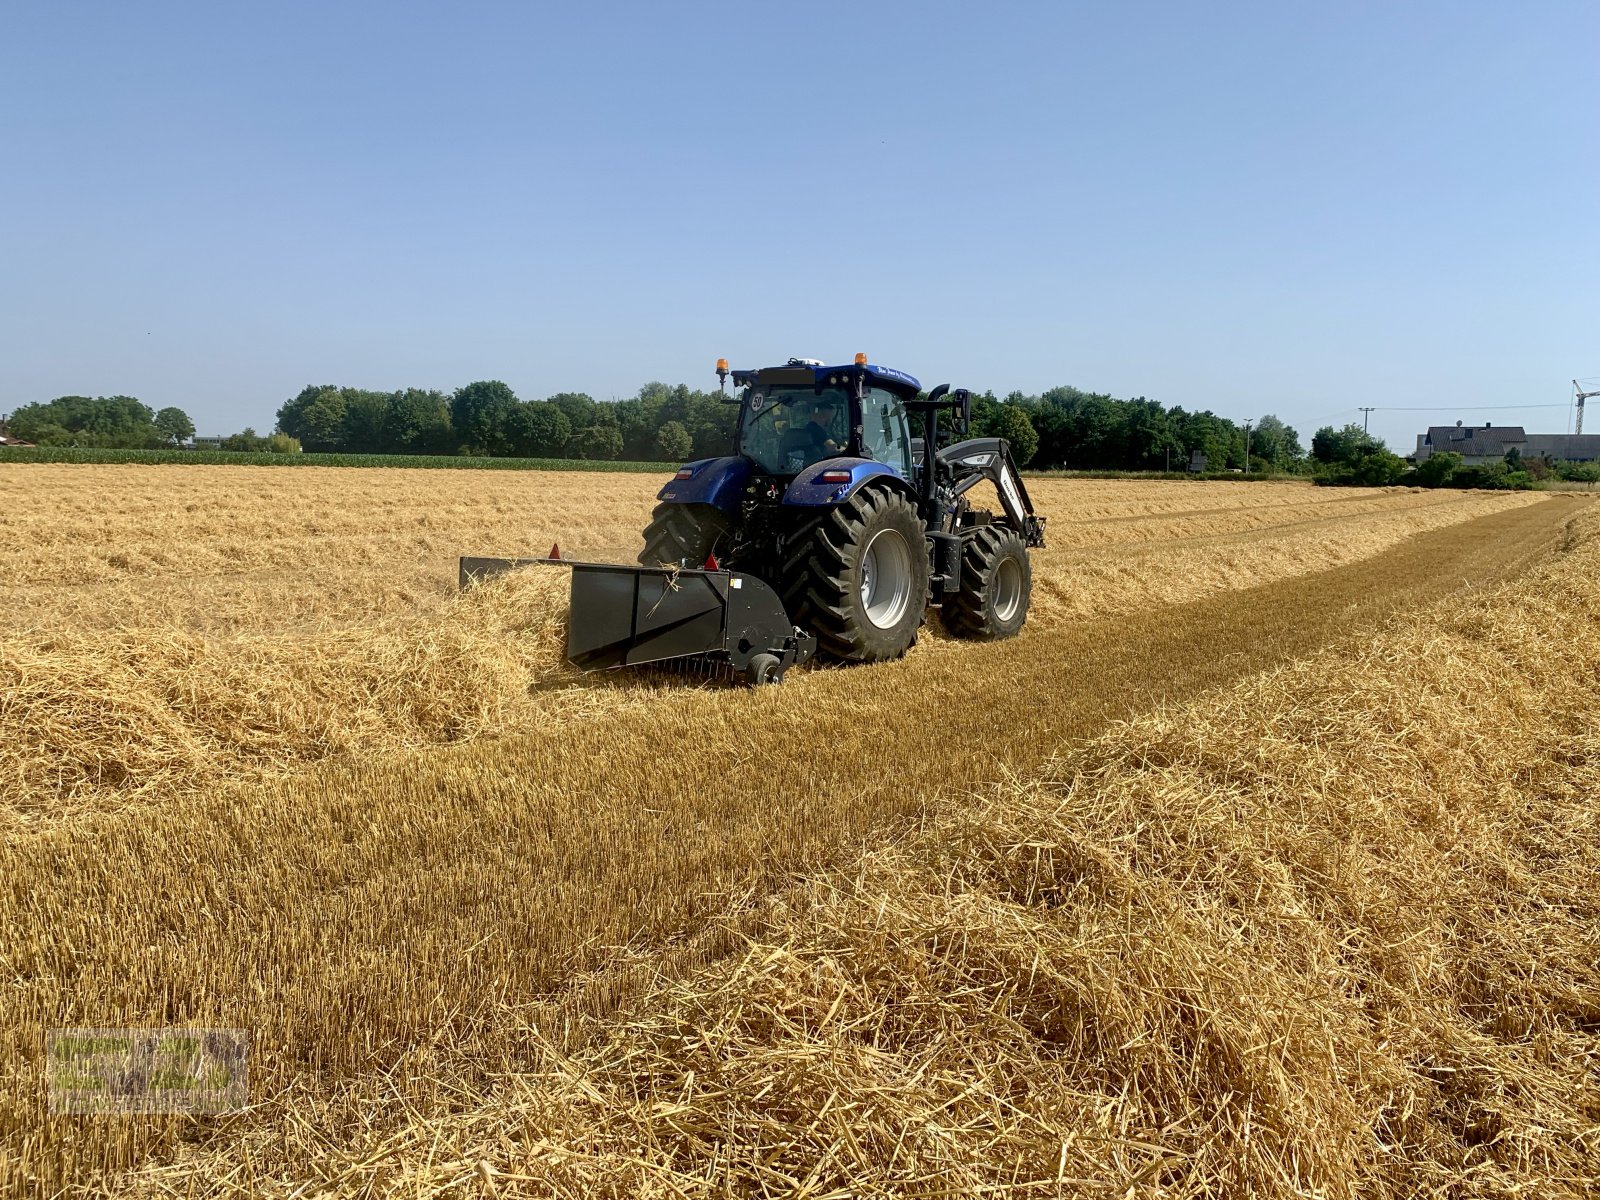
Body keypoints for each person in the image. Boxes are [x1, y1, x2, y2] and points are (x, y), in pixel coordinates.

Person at [782, 399, 842, 464]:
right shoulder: (817, 430)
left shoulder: (809, 427)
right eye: (830, 418)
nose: (831, 421)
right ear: (823, 416)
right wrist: (844, 448)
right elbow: (832, 447)